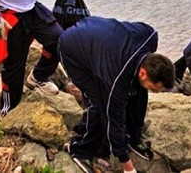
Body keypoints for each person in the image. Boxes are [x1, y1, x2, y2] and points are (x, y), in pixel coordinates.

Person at [58, 16, 175, 173]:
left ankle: (133, 136)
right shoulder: (116, 79)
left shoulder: (150, 36)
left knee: (139, 90)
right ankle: (80, 149)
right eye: (155, 88)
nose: (156, 92)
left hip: (98, 37)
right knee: (98, 103)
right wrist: (127, 165)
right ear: (142, 72)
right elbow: (113, 119)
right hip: (73, 50)